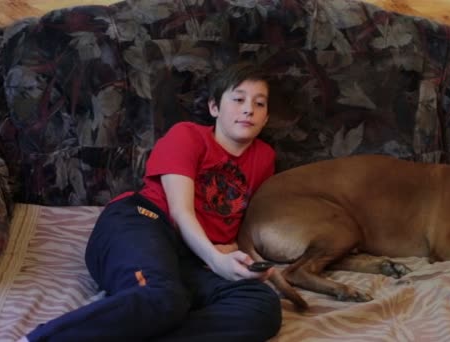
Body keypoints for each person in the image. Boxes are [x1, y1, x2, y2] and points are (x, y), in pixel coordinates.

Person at [21, 62, 282, 341]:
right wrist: (217, 259)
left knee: (261, 305)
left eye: (259, 103)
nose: (248, 109)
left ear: (266, 118)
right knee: (161, 296)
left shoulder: (264, 158)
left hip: (191, 257)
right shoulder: (187, 135)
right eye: (238, 99)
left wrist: (240, 259)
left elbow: (245, 221)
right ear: (214, 108)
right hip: (141, 223)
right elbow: (181, 212)